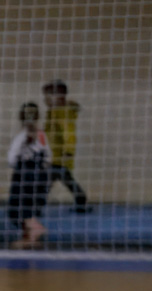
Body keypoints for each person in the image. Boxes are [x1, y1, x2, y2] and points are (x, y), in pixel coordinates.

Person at [7, 102, 51, 249]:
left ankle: (36, 228)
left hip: (24, 175)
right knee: (30, 206)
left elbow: (11, 158)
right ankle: (30, 237)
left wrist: (22, 164)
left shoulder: (21, 137)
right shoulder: (41, 135)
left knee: (17, 208)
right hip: (40, 175)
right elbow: (48, 156)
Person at [42, 79, 90, 213]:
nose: (46, 99)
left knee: (45, 182)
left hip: (59, 156)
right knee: (65, 180)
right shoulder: (54, 112)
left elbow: (69, 133)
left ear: (60, 96)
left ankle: (36, 207)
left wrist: (68, 151)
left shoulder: (62, 113)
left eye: (49, 95)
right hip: (53, 155)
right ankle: (81, 200)